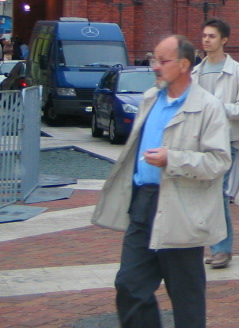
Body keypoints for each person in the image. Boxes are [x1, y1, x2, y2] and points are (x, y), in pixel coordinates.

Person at [92, 34, 230, 328]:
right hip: (143, 205)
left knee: (186, 297)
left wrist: (173, 158)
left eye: (162, 60)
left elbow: (219, 161)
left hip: (182, 209)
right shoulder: (150, 99)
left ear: (183, 64)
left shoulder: (208, 107)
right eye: (154, 59)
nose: (154, 66)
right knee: (129, 285)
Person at [192, 18, 239, 269]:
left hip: (226, 139)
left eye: (212, 36)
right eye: (204, 35)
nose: (206, 40)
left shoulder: (237, 71)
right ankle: (215, 246)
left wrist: (219, 108)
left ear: (224, 40)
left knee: (217, 194)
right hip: (200, 141)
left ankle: (221, 249)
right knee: (205, 195)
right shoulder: (195, 72)